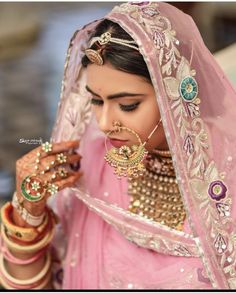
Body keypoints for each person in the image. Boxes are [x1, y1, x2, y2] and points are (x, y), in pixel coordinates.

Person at [1, 1, 236, 289]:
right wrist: (28, 214)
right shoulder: (89, 167)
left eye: (128, 105)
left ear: (175, 94)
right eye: (96, 101)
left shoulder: (224, 178)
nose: (103, 123)